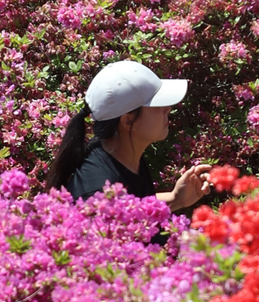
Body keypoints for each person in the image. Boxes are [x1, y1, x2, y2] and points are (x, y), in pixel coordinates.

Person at [47, 60, 212, 212]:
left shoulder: (122, 152)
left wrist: (175, 198)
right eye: (156, 104)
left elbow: (134, 206)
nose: (167, 109)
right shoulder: (100, 197)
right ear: (127, 121)